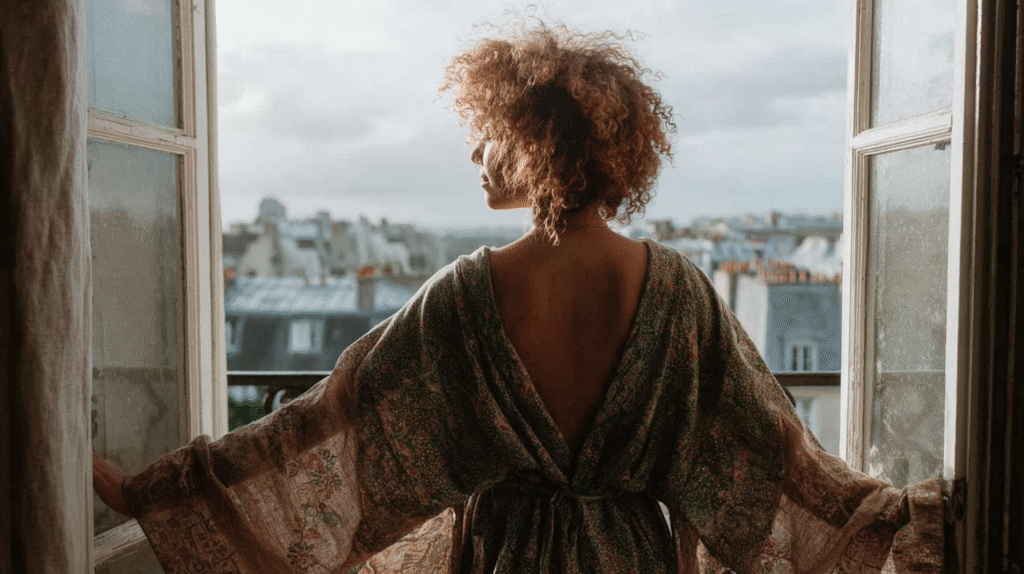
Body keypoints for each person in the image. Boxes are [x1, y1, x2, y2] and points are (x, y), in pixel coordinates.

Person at [93, 20, 942, 574]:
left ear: (540, 144)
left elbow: (332, 427)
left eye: (490, 137)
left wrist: (154, 494)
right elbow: (773, 458)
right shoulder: (679, 292)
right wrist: (903, 520)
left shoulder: (465, 297)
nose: (475, 158)